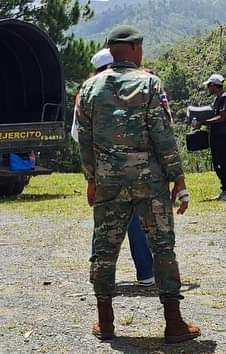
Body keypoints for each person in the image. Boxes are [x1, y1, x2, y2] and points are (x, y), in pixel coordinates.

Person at [76, 25, 200, 343]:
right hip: (150, 183)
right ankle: (174, 323)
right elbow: (163, 135)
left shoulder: (88, 89)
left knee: (104, 251)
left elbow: (84, 143)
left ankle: (105, 323)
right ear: (133, 49)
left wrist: (92, 179)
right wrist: (179, 179)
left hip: (109, 183)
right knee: (163, 248)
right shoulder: (149, 83)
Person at [72, 48, 155, 287]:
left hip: (103, 168)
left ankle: (101, 273)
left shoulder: (87, 92)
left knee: (105, 220)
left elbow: (78, 136)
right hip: (136, 166)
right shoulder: (139, 85)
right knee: (137, 217)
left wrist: (91, 174)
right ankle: (146, 272)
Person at [196, 74, 226, 200]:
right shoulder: (217, 99)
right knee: (218, 163)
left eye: (209, 85)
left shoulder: (224, 98)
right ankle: (224, 189)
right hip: (216, 136)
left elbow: (222, 117)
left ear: (214, 85)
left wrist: (203, 122)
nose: (208, 88)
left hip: (223, 136)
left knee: (223, 162)